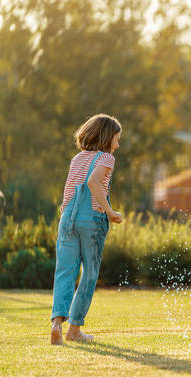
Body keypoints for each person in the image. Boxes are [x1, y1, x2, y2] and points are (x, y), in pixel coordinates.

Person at [50, 114, 123, 345]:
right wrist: (110, 211)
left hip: (67, 219)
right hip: (91, 220)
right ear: (106, 137)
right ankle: (74, 329)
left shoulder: (77, 158)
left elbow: (69, 192)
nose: (118, 144)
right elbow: (92, 183)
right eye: (116, 139)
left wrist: (67, 214)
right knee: (89, 273)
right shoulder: (106, 158)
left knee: (64, 271)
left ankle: (56, 325)